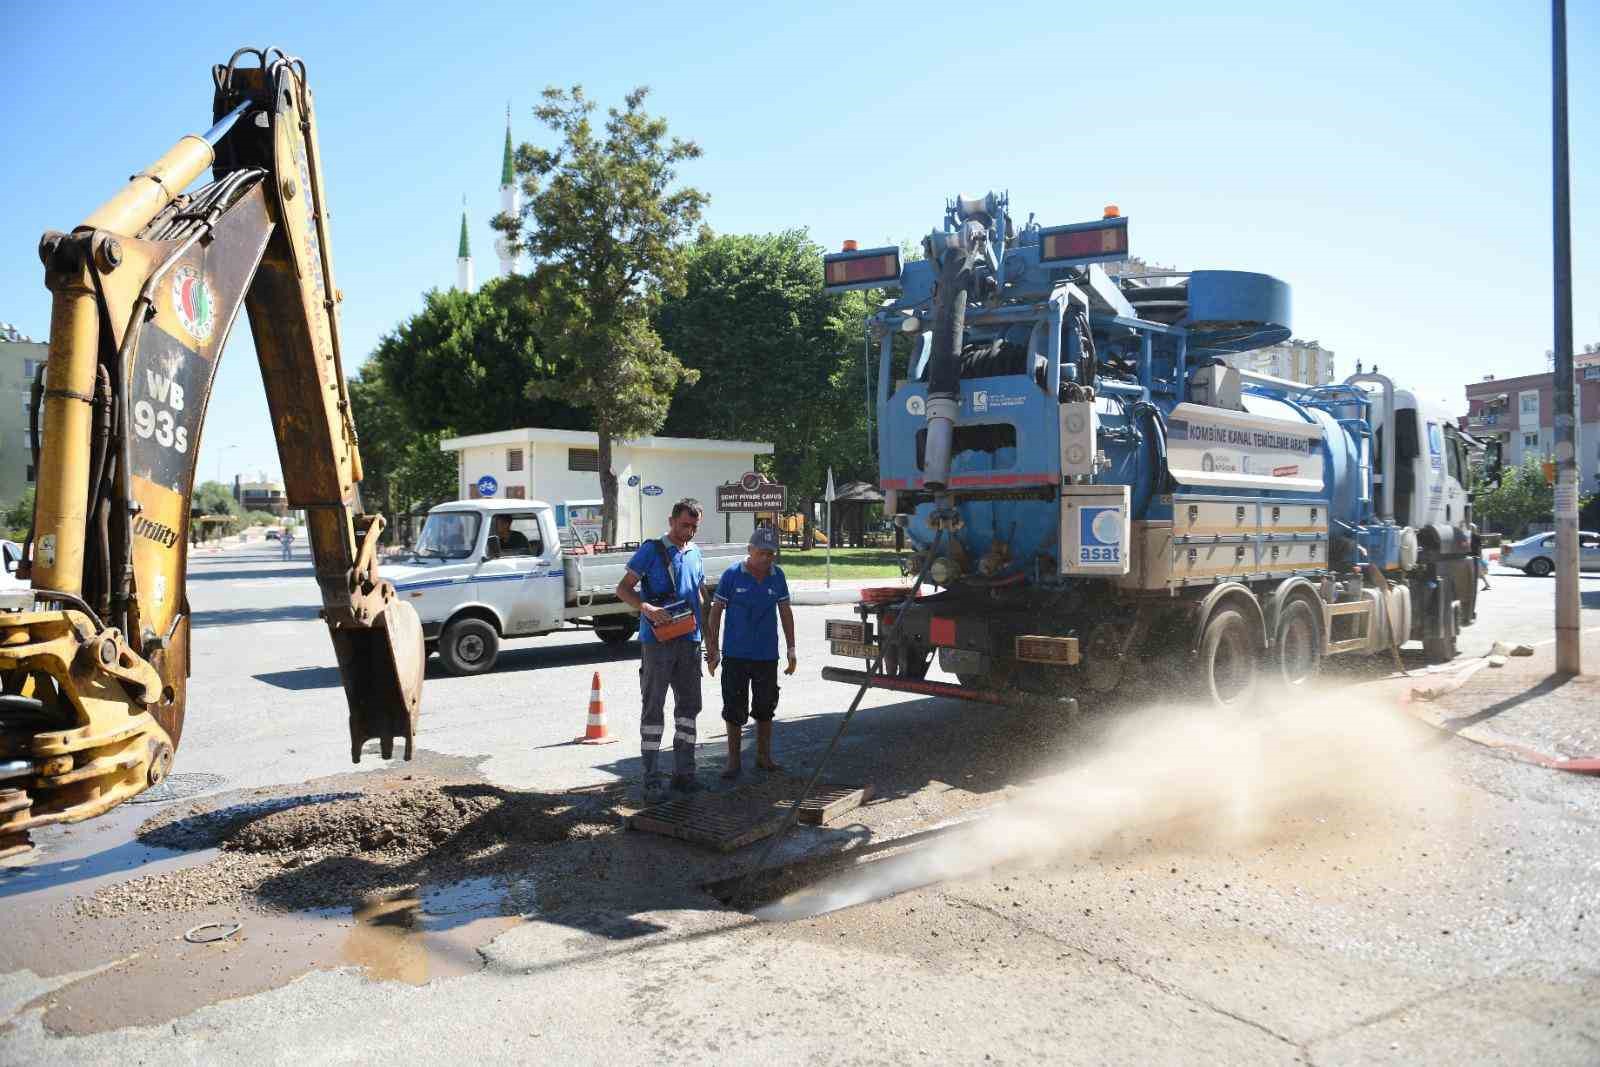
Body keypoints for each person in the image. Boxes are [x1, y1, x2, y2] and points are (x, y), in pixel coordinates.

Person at [616, 499, 706, 802]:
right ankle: (652, 779)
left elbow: (700, 597)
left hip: (690, 642)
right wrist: (646, 607)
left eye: (694, 526)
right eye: (685, 525)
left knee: (689, 710)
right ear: (671, 521)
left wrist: (710, 641)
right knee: (653, 707)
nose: (689, 531)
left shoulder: (695, 553)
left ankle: (685, 774)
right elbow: (623, 588)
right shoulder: (651, 550)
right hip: (657, 644)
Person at [705, 525, 796, 780]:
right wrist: (713, 648)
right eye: (762, 553)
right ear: (750, 550)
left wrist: (791, 649)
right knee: (734, 707)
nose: (767, 559)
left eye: (771, 554)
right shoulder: (732, 574)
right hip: (736, 654)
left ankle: (763, 757)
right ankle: (733, 762)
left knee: (766, 706)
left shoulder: (777, 576)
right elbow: (715, 612)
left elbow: (785, 612)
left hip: (766, 654)